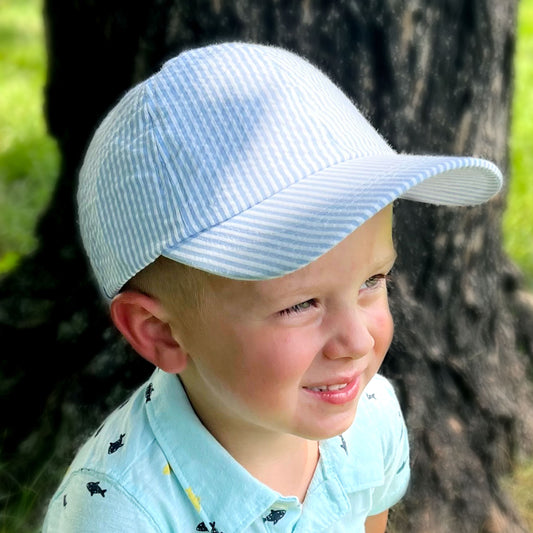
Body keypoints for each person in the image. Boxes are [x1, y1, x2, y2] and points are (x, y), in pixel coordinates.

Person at [42, 42, 502, 533]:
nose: (360, 343)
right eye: (300, 304)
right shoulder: (119, 514)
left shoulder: (371, 416)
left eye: (372, 280)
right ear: (161, 332)